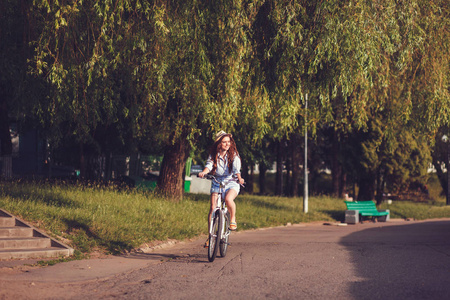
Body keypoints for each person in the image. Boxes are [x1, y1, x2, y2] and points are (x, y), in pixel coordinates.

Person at [198, 130, 245, 247]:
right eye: (224, 142)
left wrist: (239, 177)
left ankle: (233, 218)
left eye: (228, 142)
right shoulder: (214, 154)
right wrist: (204, 172)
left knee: (229, 200)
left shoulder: (234, 155)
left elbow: (236, 168)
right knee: (213, 208)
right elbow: (209, 165)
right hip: (217, 182)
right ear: (218, 143)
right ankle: (210, 236)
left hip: (232, 183)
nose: (227, 144)